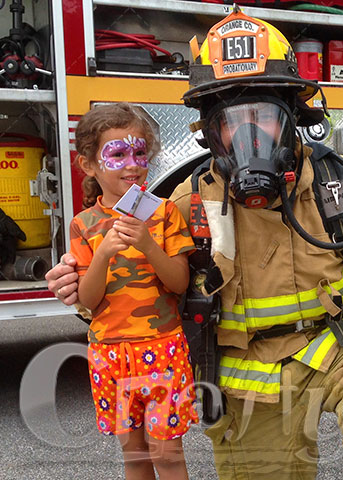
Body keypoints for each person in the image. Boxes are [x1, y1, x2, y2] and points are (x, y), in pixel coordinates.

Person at [47, 9, 343, 480]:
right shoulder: (185, 202)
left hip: (342, 348)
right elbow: (137, 289)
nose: (249, 135)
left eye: (264, 117)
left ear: (293, 117)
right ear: (210, 131)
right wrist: (77, 285)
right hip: (249, 378)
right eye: (232, 121)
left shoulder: (339, 184)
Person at [69, 103, 198, 479]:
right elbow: (87, 300)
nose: (132, 164)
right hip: (110, 354)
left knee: (168, 454)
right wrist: (104, 253)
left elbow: (178, 282)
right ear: (89, 166)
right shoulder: (84, 225)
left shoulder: (163, 213)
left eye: (140, 152)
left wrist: (148, 245)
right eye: (118, 154)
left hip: (161, 349)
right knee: (135, 456)